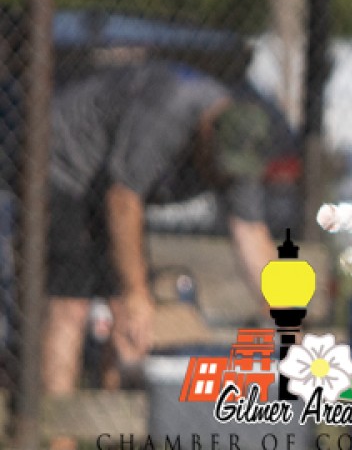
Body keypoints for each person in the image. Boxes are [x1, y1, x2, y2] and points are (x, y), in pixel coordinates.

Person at [44, 61, 293, 416]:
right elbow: (123, 200)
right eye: (220, 166)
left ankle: (108, 430)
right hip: (65, 165)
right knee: (72, 306)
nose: (223, 177)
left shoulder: (242, 145)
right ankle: (57, 432)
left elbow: (251, 233)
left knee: (128, 318)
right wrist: (136, 292)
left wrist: (288, 323)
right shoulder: (169, 110)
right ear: (206, 132)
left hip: (113, 189)